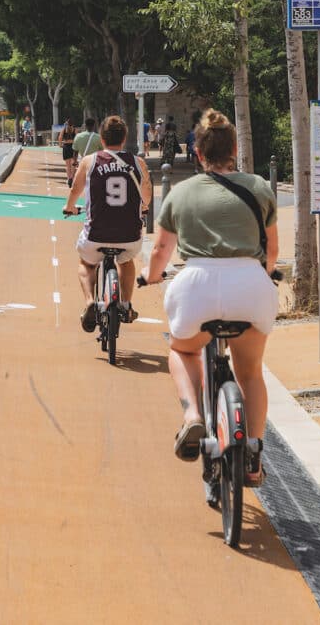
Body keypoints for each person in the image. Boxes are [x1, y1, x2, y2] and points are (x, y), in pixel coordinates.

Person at [141, 110, 279, 487]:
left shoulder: (181, 193)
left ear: (197, 152)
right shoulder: (259, 188)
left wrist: (148, 277)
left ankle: (191, 417)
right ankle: (253, 452)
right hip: (249, 285)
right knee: (250, 371)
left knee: (182, 350)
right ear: (234, 149)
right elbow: (272, 252)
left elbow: (160, 254)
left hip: (196, 287)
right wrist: (261, 275)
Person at [63, 116, 151, 333]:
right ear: (124, 139)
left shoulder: (90, 161)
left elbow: (75, 189)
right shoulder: (138, 163)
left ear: (102, 139)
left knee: (86, 264)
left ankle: (90, 302)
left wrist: (69, 207)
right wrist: (144, 207)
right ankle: (126, 304)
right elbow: (147, 193)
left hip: (96, 234)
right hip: (129, 236)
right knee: (127, 261)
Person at [59, 120, 78, 185]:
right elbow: (77, 138)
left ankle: (68, 178)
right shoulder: (74, 130)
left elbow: (60, 137)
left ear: (66, 124)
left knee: (67, 165)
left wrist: (60, 145)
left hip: (66, 147)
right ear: (72, 124)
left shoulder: (64, 130)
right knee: (73, 164)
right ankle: (72, 178)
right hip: (73, 147)